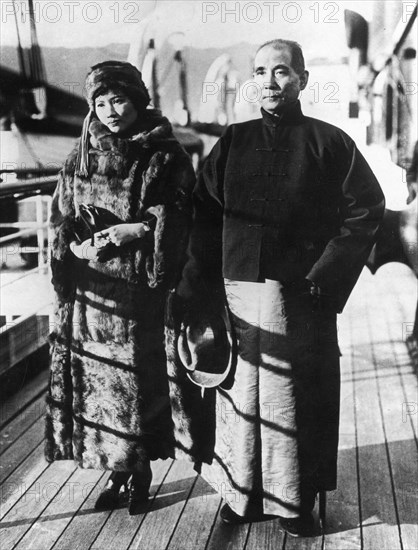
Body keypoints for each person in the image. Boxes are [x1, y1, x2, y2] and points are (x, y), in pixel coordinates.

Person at [175, 39, 385, 537]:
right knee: (239, 395)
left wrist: (323, 278)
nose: (270, 82)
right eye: (261, 71)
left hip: (299, 299)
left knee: (295, 397)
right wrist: (193, 286)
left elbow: (365, 211)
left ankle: (295, 501)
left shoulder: (329, 143)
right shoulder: (232, 141)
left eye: (282, 72)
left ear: (302, 80)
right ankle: (241, 495)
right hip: (235, 295)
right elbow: (202, 217)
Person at [45, 61, 195, 514]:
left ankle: (140, 473)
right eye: (101, 102)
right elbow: (61, 213)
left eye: (120, 99)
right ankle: (116, 469)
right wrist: (71, 248)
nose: (111, 111)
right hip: (91, 295)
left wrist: (140, 230)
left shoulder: (163, 154)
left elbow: (181, 214)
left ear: (138, 99)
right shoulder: (81, 154)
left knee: (137, 379)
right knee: (98, 384)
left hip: (138, 291)